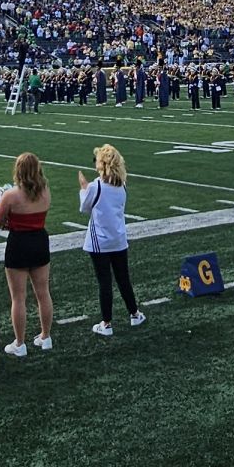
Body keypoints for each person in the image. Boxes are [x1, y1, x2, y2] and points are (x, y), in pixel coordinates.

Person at [0, 151, 55, 357]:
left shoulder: (11, 195)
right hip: (39, 241)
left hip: (19, 243)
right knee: (43, 292)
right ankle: (46, 337)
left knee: (18, 297)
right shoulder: (45, 191)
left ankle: (20, 343)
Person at [78, 144, 143, 335]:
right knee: (123, 279)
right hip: (118, 238)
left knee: (104, 282)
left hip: (99, 241)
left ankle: (106, 323)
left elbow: (85, 207)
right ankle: (134, 313)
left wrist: (83, 188)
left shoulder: (95, 186)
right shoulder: (121, 184)